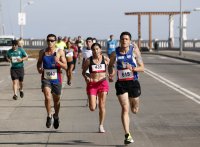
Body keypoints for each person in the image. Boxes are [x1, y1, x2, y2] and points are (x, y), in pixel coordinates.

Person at [108, 31, 144, 145]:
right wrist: (111, 73)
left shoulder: (134, 51)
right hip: (121, 84)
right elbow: (110, 66)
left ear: (130, 41)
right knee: (125, 108)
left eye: (127, 39)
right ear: (120, 40)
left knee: (134, 110)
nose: (124, 41)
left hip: (133, 82)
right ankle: (127, 135)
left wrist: (132, 69)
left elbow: (142, 68)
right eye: (123, 39)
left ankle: (134, 104)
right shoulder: (115, 53)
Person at [37, 34, 67, 129]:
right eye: (48, 40)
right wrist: (39, 68)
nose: (50, 42)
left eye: (52, 40)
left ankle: (56, 116)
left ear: (55, 41)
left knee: (56, 100)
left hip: (56, 79)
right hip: (46, 78)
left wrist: (58, 62)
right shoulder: (42, 52)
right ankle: (49, 115)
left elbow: (66, 66)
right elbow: (39, 63)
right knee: (47, 96)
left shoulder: (60, 52)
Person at [82, 42, 110, 133]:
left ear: (100, 49)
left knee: (102, 106)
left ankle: (101, 125)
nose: (95, 51)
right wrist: (87, 77)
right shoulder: (88, 61)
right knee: (92, 108)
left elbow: (111, 68)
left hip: (102, 83)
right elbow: (83, 72)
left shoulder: (105, 59)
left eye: (97, 49)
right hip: (92, 84)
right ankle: (95, 98)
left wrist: (111, 74)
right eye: (93, 49)